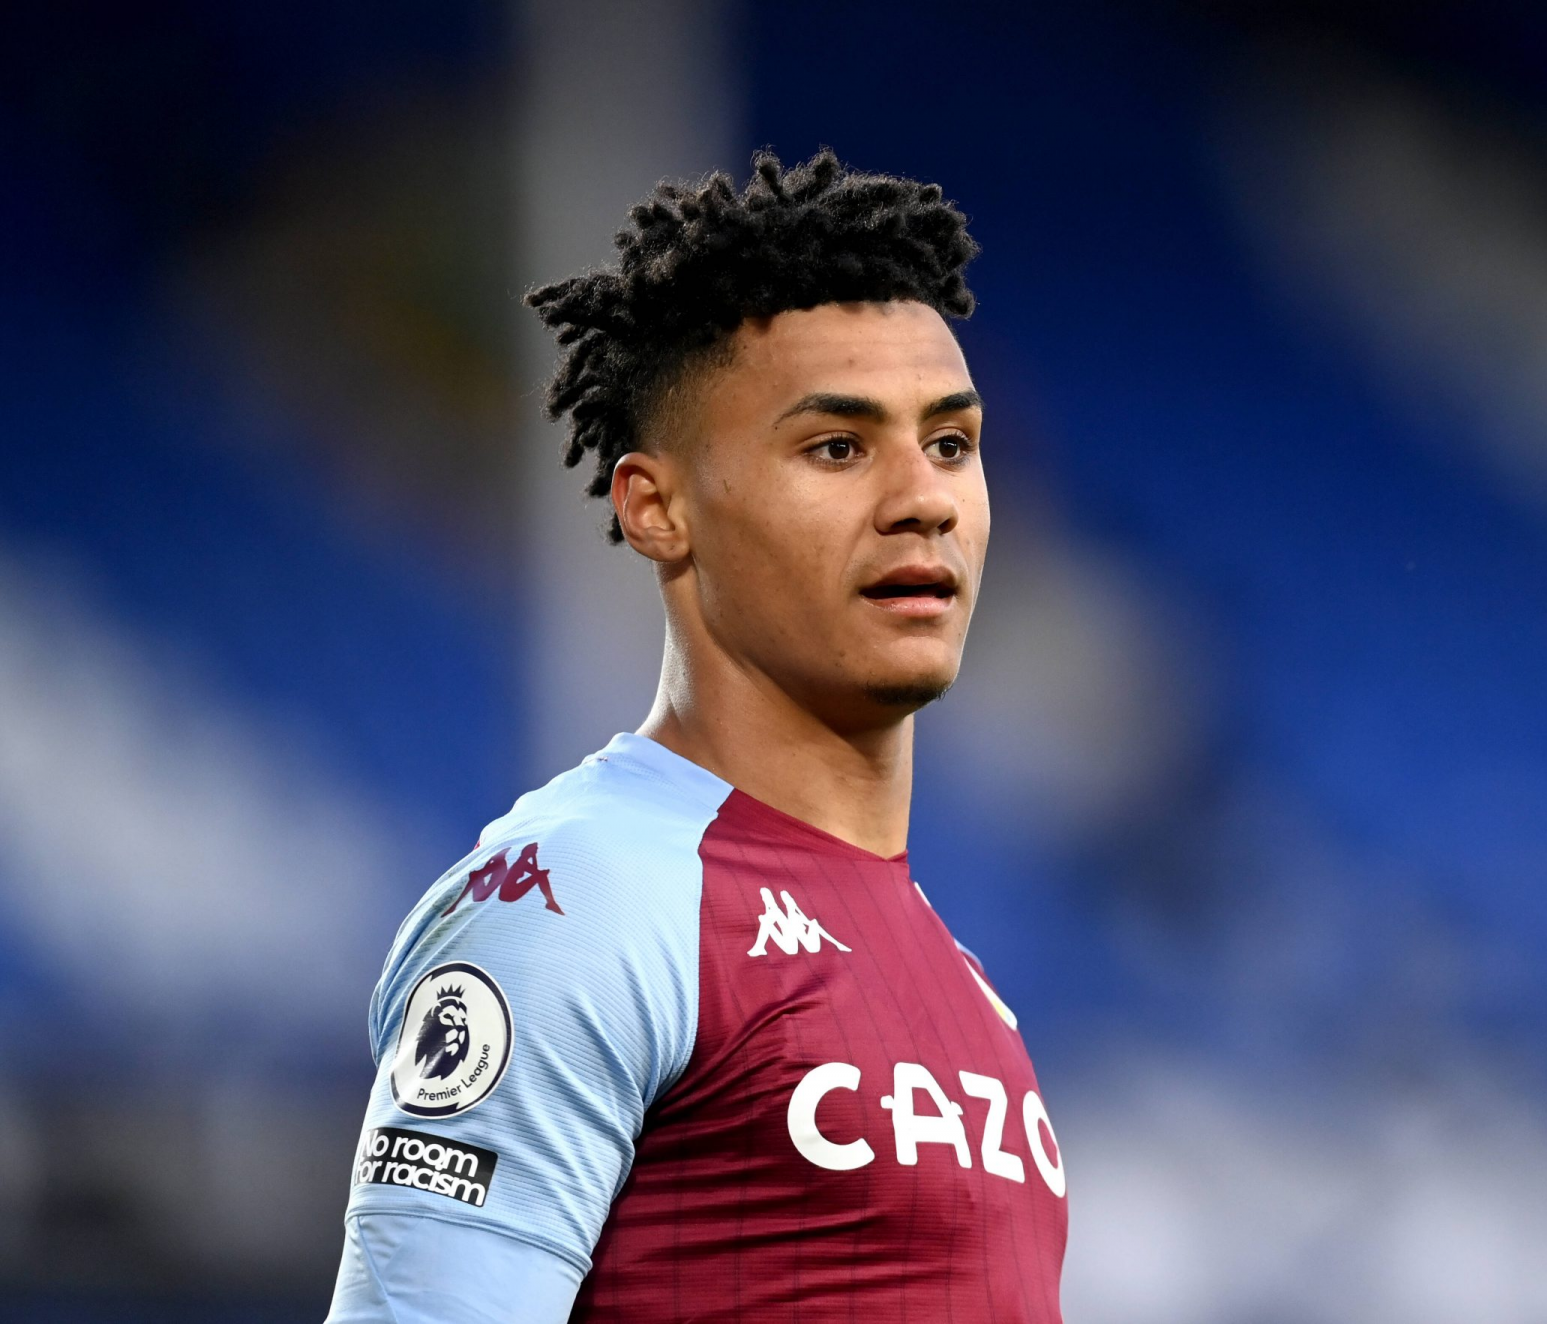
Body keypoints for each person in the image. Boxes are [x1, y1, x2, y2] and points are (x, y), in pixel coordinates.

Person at [325, 149, 1067, 1323]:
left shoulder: (956, 977)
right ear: (655, 506)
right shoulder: (578, 901)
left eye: (951, 444)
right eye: (838, 446)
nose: (922, 497)